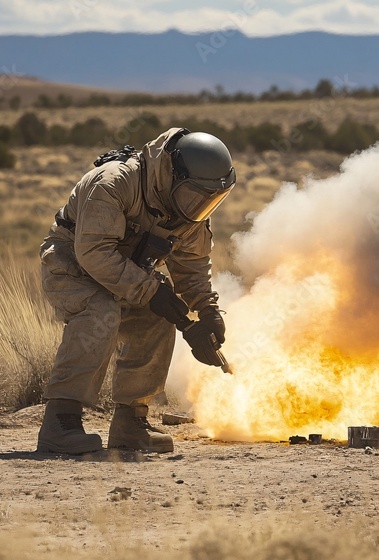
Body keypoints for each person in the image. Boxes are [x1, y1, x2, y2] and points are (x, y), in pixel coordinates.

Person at [36, 128, 235, 454]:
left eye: (207, 200)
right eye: (193, 196)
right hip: (71, 264)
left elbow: (192, 271)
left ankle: (131, 423)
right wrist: (151, 291)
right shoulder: (113, 184)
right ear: (172, 174)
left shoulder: (189, 211)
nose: (198, 206)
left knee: (157, 317)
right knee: (99, 311)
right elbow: (94, 253)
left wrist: (208, 311)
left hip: (128, 270)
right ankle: (61, 420)